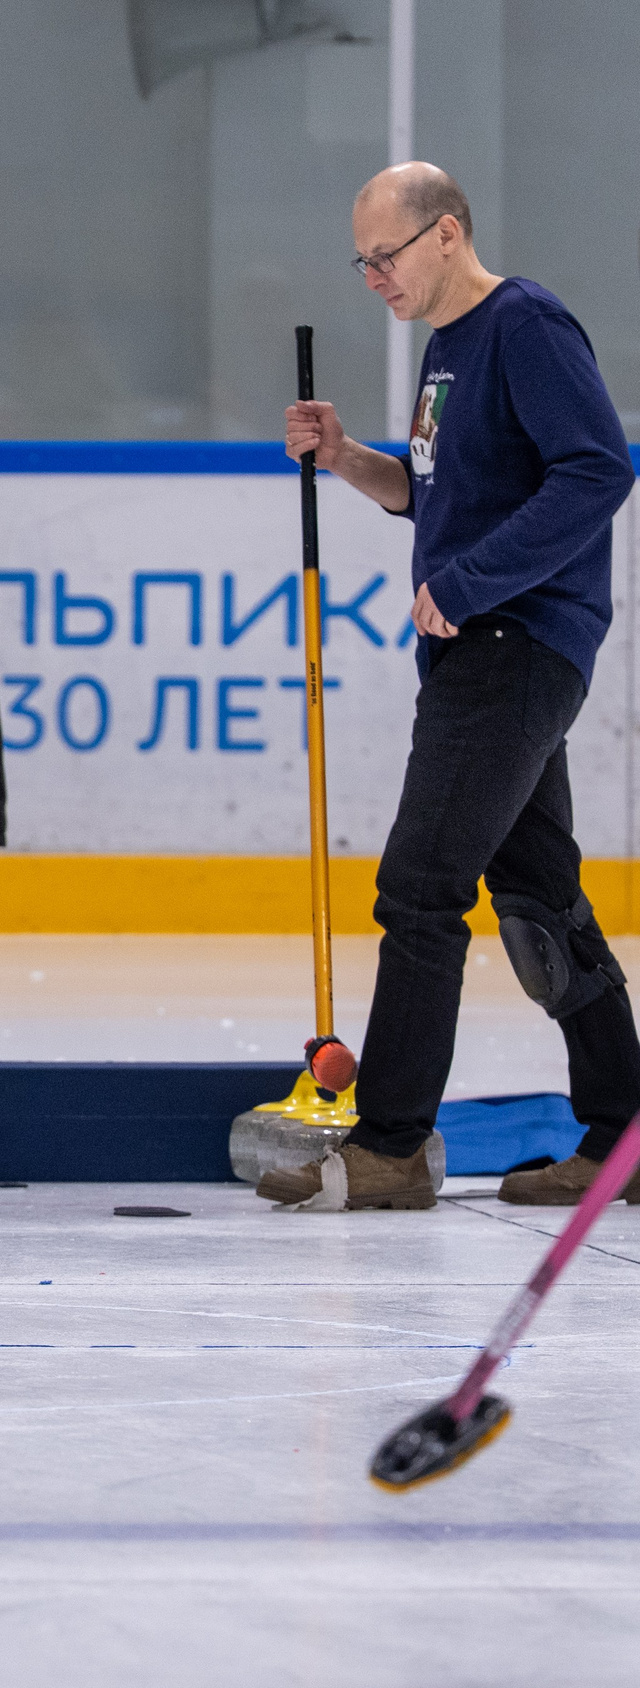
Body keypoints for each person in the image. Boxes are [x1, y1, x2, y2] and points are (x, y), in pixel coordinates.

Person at [266, 162, 638, 1211]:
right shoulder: (445, 351)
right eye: (361, 262)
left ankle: (387, 1146)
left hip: (516, 642)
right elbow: (432, 497)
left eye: (385, 255)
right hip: (483, 647)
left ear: (446, 232)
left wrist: (469, 582)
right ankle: (624, 1136)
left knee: (421, 888)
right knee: (536, 897)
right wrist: (346, 457)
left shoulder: (525, 324)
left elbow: (597, 470)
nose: (373, 276)